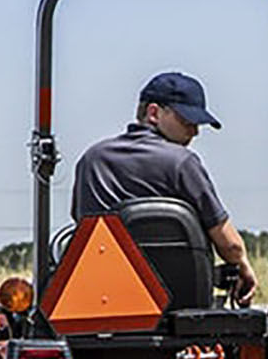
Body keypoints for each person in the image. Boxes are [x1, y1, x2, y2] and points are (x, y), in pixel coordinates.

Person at [71, 70, 258, 303]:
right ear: (153, 113)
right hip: (181, 307)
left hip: (105, 303)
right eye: (186, 121)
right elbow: (229, 244)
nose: (195, 131)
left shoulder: (92, 160)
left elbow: (83, 229)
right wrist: (243, 267)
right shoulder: (182, 162)